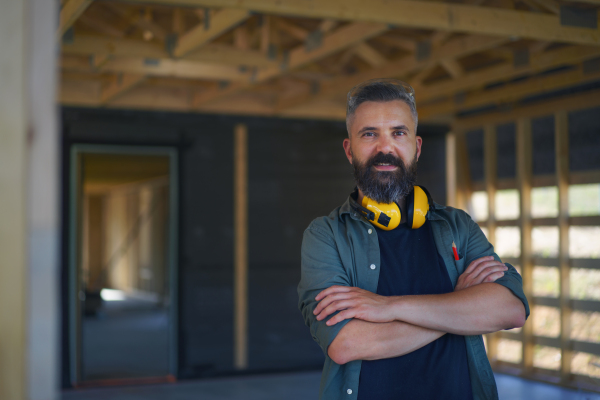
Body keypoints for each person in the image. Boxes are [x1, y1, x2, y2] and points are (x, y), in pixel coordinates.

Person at [297, 78, 529, 400]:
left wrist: (388, 308)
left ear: (416, 147)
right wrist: (457, 304)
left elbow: (510, 310)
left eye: (398, 132)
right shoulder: (326, 236)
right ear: (349, 150)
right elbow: (347, 343)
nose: (385, 148)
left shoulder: (457, 226)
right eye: (369, 134)